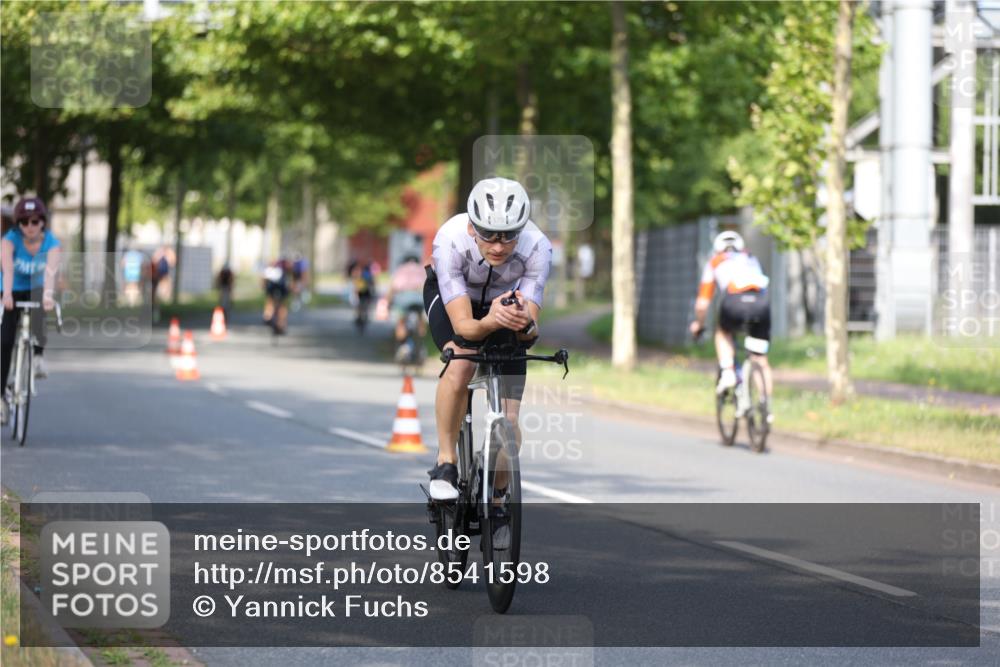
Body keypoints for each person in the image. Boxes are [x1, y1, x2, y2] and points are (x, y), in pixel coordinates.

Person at [424, 177, 552, 500]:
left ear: (521, 230)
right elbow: (466, 326)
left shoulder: (538, 247)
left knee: (509, 423)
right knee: (460, 362)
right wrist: (490, 321)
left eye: (509, 236)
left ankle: (496, 494)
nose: (498, 246)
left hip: (507, 307)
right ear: (471, 228)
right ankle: (446, 461)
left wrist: (524, 325)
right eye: (488, 235)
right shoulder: (450, 241)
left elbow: (531, 333)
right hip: (457, 302)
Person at [688, 231, 773, 413]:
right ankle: (766, 405)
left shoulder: (715, 261)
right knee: (759, 358)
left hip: (734, 300)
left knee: (723, 333)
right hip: (761, 303)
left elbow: (702, 304)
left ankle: (728, 372)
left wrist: (699, 324)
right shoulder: (751, 258)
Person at [2, 197, 62, 424]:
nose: (29, 226)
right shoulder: (9, 241)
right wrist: (6, 295)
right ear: (18, 224)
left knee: (40, 304)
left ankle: (37, 357)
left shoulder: (52, 243)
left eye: (34, 221)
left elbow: (50, 272)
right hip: (13, 289)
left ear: (42, 222)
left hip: (37, 287)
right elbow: (7, 269)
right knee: (5, 341)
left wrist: (48, 296)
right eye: (24, 222)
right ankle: (0, 398)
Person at [385, 255, 427, 362]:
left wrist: (388, 303)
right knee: (420, 318)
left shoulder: (400, 270)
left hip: (403, 298)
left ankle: (403, 347)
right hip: (419, 298)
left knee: (401, 321)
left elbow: (392, 288)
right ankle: (421, 344)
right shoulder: (421, 269)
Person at [262, 257, 291, 334]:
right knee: (282, 305)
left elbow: (264, 281)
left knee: (271, 302)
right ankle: (280, 323)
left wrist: (264, 287)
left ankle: (268, 316)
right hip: (281, 288)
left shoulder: (269, 270)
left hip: (273, 288)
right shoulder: (282, 271)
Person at [348, 258, 376, 330]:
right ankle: (359, 317)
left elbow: (372, 283)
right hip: (359, 294)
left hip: (365, 293)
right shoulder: (355, 275)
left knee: (365, 306)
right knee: (359, 307)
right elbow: (353, 286)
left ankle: (364, 316)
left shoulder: (366, 275)